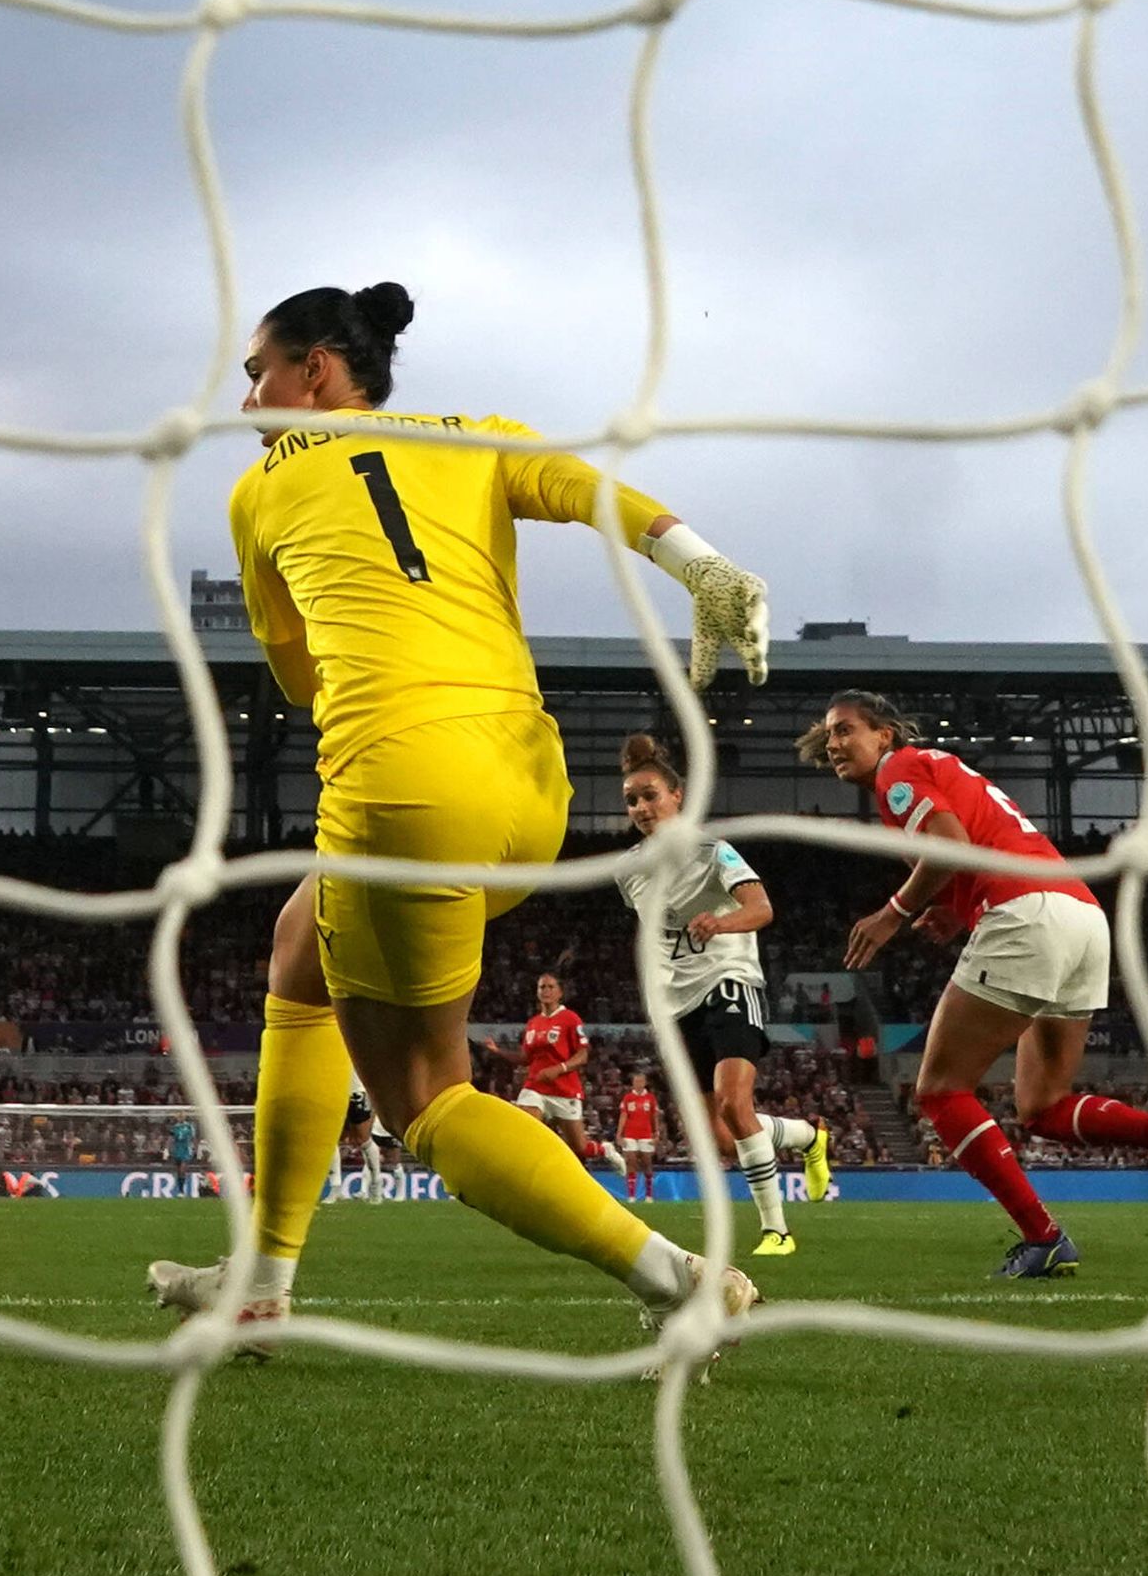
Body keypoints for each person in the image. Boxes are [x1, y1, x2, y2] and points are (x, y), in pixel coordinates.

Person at [145, 280, 775, 1346]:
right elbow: (580, 487)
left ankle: (675, 1279)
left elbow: (297, 677)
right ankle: (260, 1276)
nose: (246, 398)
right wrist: (699, 566)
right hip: (531, 791)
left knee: (426, 1102)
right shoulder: (474, 439)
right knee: (302, 941)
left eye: (258, 370)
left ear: (316, 371)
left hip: (407, 795)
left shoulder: (258, 493)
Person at [809, 691, 1148, 1282]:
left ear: (884, 735)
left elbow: (950, 845)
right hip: (1081, 915)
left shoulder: (898, 773)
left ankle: (1043, 1236)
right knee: (1042, 1104)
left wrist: (893, 913)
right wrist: (955, 911)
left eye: (846, 729)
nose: (833, 742)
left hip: (1025, 915)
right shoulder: (940, 764)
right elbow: (981, 842)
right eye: (828, 734)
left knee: (939, 1089)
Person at [616, 733, 830, 1256]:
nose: (642, 808)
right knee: (719, 1137)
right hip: (677, 1005)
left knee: (736, 1104)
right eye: (632, 800)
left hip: (729, 982)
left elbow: (761, 908)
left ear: (677, 796)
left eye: (650, 795)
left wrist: (721, 921)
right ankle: (805, 1136)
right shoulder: (628, 872)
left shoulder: (713, 852)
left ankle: (776, 1231)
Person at [500, 972, 602, 1162]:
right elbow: (525, 1058)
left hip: (564, 1089)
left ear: (560, 993)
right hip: (535, 1085)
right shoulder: (533, 1023)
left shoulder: (570, 1018)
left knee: (580, 1148)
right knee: (526, 1126)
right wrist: (498, 1051)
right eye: (542, 987)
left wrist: (559, 1068)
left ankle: (604, 1150)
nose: (545, 991)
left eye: (550, 987)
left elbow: (583, 1055)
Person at [615, 1071, 662, 1203]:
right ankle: (631, 1195)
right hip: (630, 1134)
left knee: (647, 1163)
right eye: (636, 1081)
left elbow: (654, 1117)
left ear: (645, 1083)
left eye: (641, 1081)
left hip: (646, 1134)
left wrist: (656, 1133)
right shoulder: (628, 1098)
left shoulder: (651, 1098)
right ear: (633, 1083)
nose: (638, 1084)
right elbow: (623, 1116)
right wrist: (619, 1134)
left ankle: (649, 1195)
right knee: (631, 1161)